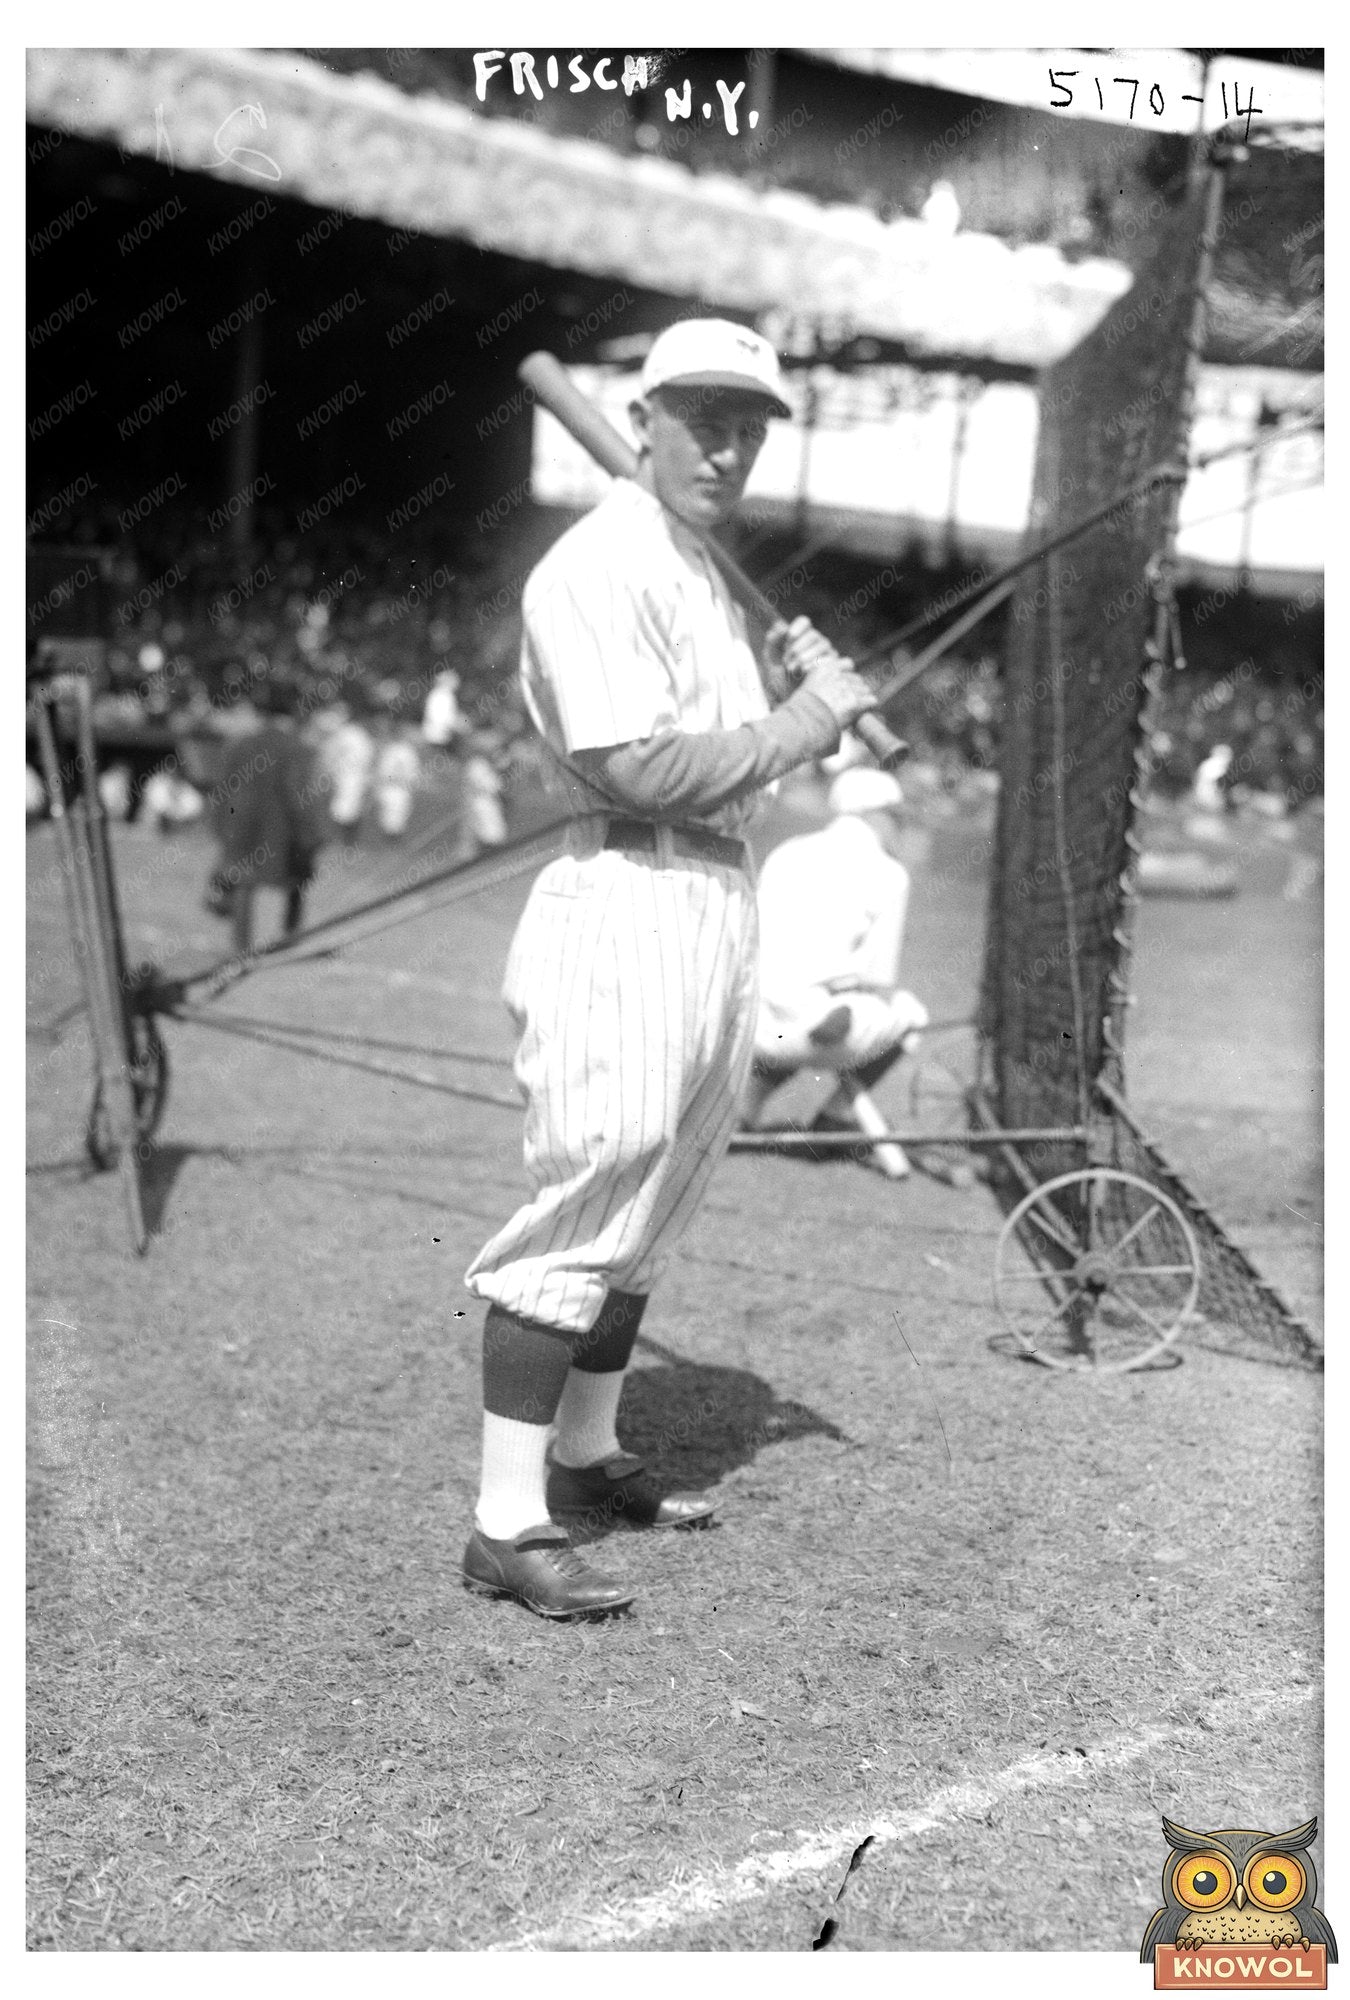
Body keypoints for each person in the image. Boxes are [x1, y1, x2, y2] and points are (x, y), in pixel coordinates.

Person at [459, 318, 877, 1620]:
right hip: (624, 883)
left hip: (712, 900)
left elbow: (719, 744)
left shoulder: (693, 572)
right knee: (598, 1182)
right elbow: (631, 764)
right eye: (703, 413)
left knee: (657, 1201)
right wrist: (804, 723)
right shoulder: (589, 567)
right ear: (640, 420)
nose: (730, 442)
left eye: (750, 421)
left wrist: (783, 691)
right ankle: (503, 1520)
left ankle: (582, 1455)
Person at [741, 766, 929, 1178]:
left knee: (789, 995)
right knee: (910, 1013)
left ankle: (747, 1107)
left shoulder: (788, 850)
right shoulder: (889, 873)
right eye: (895, 816)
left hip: (751, 1027)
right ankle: (836, 1119)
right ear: (875, 814)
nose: (900, 826)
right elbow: (880, 980)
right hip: (817, 1035)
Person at [206, 675, 330, 957]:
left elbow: (222, 790)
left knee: (243, 883)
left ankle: (240, 946)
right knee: (298, 877)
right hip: (280, 830)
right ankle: (291, 935)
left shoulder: (240, 745)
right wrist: (313, 833)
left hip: (241, 826)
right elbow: (301, 796)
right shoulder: (298, 748)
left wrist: (220, 826)